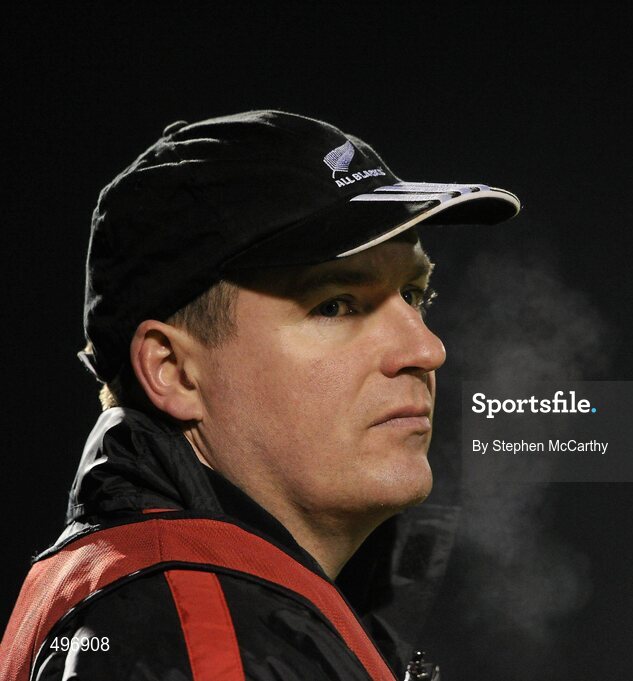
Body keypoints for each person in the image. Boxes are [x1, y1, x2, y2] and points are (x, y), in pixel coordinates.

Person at [0, 110, 519, 681]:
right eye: (336, 304)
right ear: (172, 370)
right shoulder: (198, 636)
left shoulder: (169, 599)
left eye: (416, 294)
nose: (426, 350)